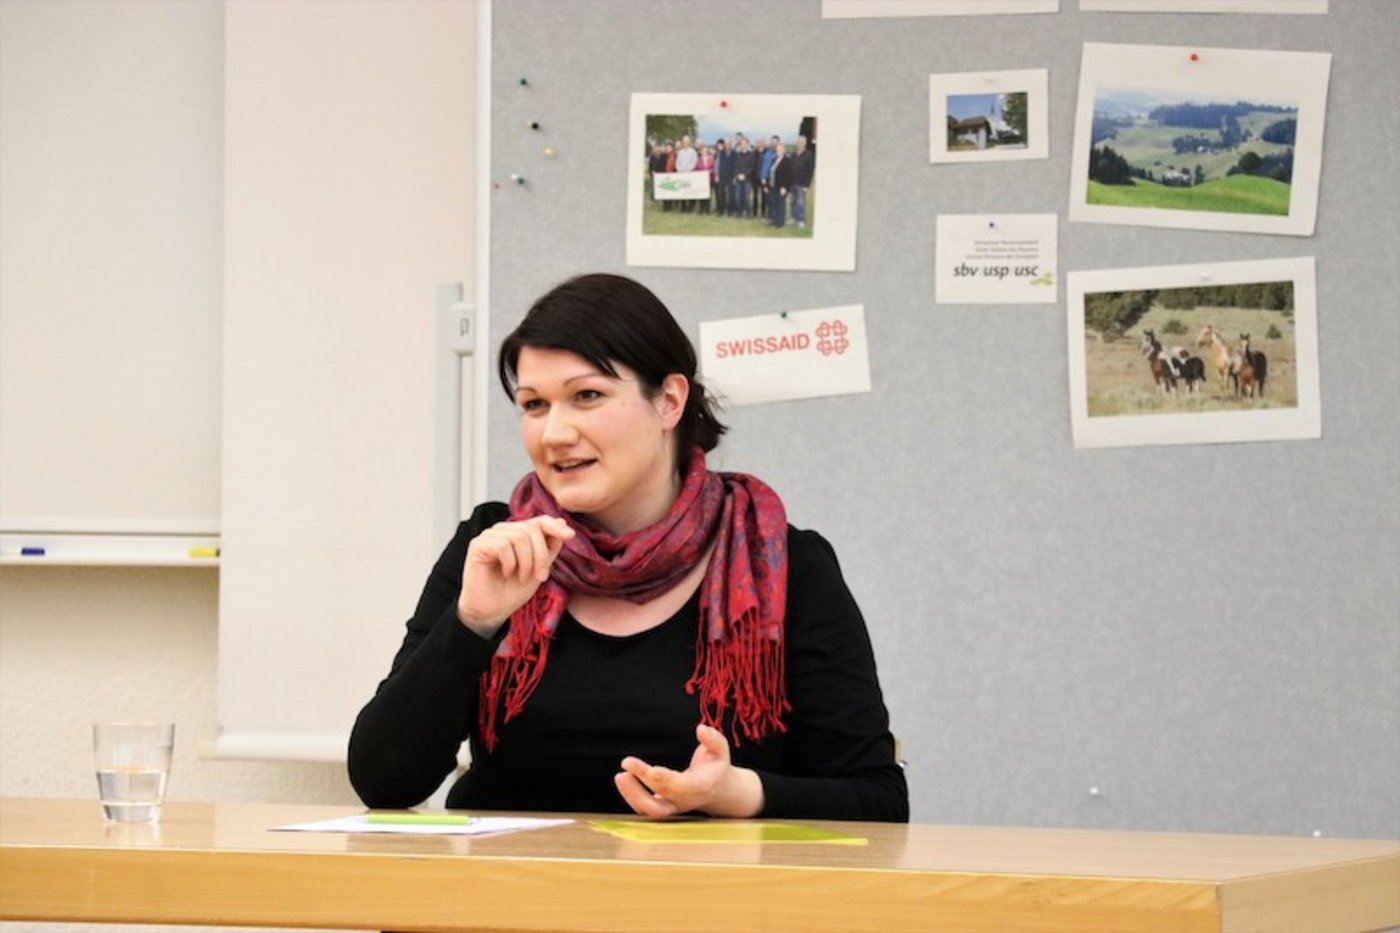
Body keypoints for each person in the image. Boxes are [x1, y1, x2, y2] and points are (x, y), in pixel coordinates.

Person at [348, 274, 908, 822]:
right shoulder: (494, 546)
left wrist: (739, 794)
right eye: (534, 405)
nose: (554, 433)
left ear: (669, 401)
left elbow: (878, 800)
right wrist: (472, 623)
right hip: (510, 882)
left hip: (701, 886)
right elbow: (384, 782)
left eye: (587, 396)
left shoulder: (780, 561)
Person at [789, 134, 815, 229]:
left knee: (801, 203)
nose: (799, 144)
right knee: (793, 202)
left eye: (801, 142)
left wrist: (807, 185)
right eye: (798, 142)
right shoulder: (793, 154)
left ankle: (801, 220)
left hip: (802, 184)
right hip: (792, 183)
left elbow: (810, 171)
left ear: (805, 143)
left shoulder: (809, 155)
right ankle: (794, 219)